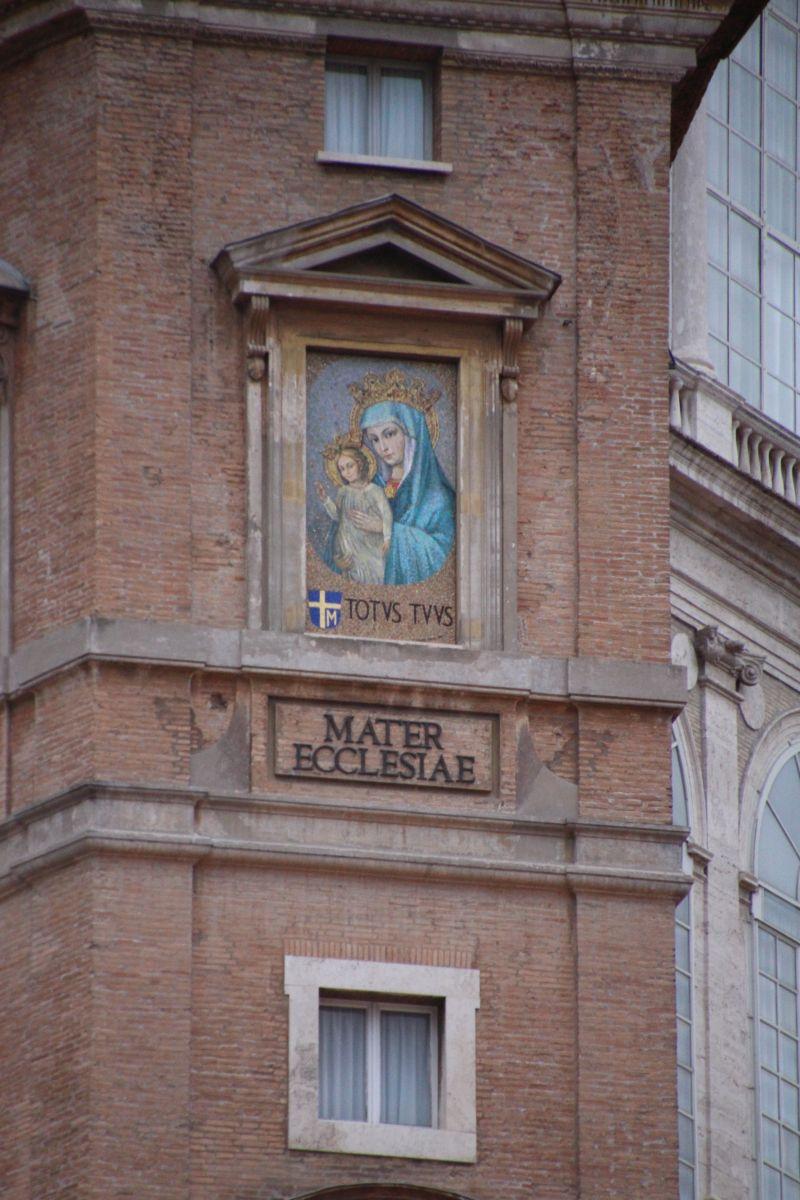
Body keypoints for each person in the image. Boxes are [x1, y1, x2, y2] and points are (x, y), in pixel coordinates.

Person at [354, 398, 455, 586]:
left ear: (411, 434)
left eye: (389, 434)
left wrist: (387, 529)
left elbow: (443, 557)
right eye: (375, 439)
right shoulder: (373, 487)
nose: (382, 447)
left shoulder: (438, 498)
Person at [316, 442, 392, 585]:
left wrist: (387, 537)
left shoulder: (375, 491)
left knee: (374, 579)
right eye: (342, 469)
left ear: (360, 464)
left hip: (371, 548)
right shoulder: (343, 492)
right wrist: (325, 499)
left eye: (350, 466)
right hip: (351, 551)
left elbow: (386, 514)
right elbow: (338, 516)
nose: (347, 472)